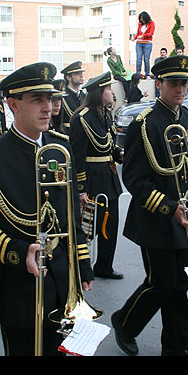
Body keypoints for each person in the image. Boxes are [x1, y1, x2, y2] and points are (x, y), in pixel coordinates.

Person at [0, 62, 94, 356]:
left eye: (50, 98)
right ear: (13, 104)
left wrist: (82, 264)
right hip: (18, 288)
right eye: (37, 100)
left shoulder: (61, 148)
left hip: (62, 282)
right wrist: (20, 252)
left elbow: (70, 216)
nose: (48, 107)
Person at [111, 55, 188, 357]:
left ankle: (176, 348)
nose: (180, 88)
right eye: (174, 83)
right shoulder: (145, 123)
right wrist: (168, 207)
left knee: (179, 283)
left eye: (184, 82)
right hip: (154, 217)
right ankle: (125, 323)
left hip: (183, 217)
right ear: (160, 84)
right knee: (162, 282)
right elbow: (136, 179)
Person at [69, 72, 124, 279]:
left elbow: (109, 146)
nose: (112, 92)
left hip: (109, 177)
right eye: (109, 89)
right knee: (88, 227)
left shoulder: (106, 114)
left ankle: (104, 266)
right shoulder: (82, 119)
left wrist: (118, 154)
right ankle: (82, 266)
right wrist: (81, 189)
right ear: (99, 92)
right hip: (92, 180)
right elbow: (77, 157)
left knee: (110, 224)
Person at [60, 61, 86, 131]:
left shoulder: (83, 96)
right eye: (77, 74)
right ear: (69, 78)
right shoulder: (62, 97)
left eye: (81, 73)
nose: (81, 76)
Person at [133, 11, 155, 77]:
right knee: (139, 59)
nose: (142, 20)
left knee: (146, 59)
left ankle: (147, 74)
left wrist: (143, 35)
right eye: (140, 19)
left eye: (143, 18)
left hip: (147, 43)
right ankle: (138, 74)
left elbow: (151, 33)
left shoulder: (151, 23)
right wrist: (134, 38)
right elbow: (138, 33)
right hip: (139, 43)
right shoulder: (140, 24)